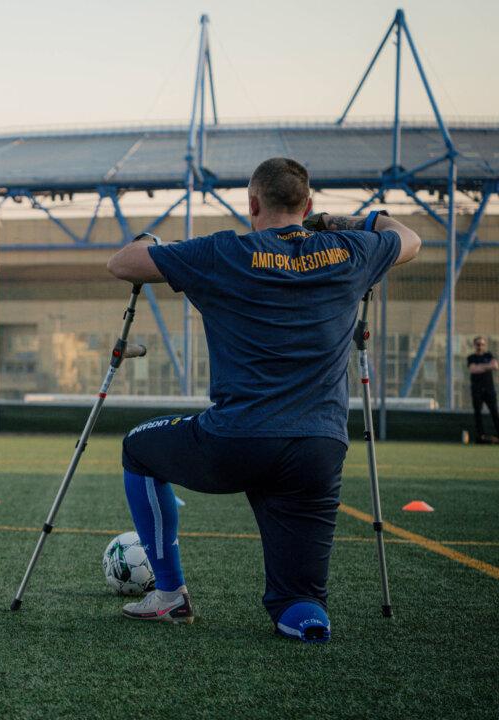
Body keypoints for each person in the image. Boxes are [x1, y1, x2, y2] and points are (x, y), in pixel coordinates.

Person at [105, 157, 420, 643]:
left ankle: (169, 595)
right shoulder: (350, 249)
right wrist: (353, 221)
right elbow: (411, 239)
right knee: (302, 602)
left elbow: (122, 264)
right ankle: (303, 616)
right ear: (308, 204)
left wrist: (150, 240)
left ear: (252, 203)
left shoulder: (224, 251)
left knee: (137, 447)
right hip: (318, 448)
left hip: (236, 441)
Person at [467, 336, 499, 444]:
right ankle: (481, 436)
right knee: (478, 414)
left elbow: (495, 366)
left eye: (482, 344)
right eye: (478, 344)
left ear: (484, 345)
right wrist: (487, 366)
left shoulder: (489, 355)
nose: (480, 346)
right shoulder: (471, 357)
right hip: (477, 390)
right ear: (474, 345)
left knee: (495, 412)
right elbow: (473, 369)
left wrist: (480, 366)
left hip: (489, 390)